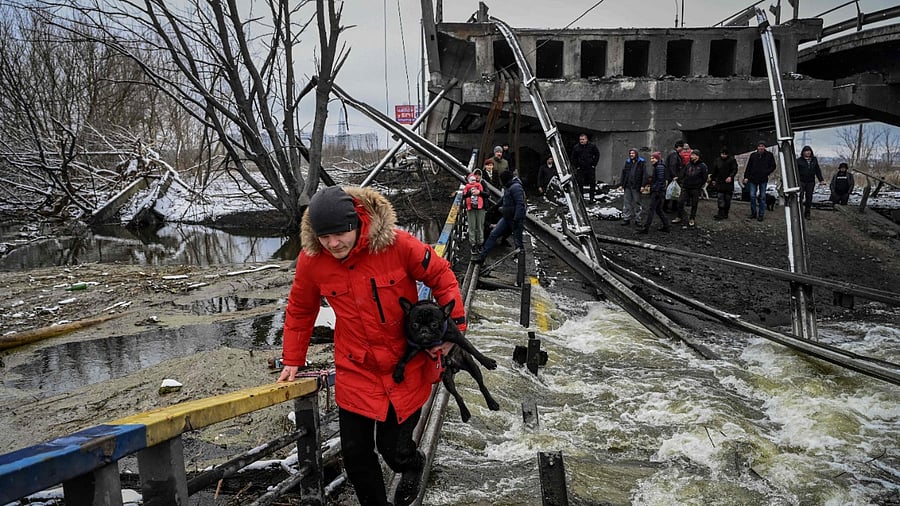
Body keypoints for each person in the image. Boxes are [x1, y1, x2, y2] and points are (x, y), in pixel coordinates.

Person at [279, 185, 467, 506]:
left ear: (357, 222)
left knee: (393, 449)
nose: (333, 244)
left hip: (404, 364)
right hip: (356, 367)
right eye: (325, 237)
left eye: (340, 234)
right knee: (355, 454)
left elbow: (443, 277)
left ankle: (412, 465)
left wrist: (453, 335)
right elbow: (300, 308)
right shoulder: (312, 260)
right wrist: (293, 357)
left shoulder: (397, 244)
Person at [474, 170, 525, 264]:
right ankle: (481, 257)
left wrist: (517, 218)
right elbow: (504, 198)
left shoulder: (516, 187)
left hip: (515, 219)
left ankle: (521, 264)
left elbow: (520, 204)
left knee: (518, 241)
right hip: (506, 217)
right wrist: (495, 207)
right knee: (493, 234)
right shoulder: (508, 187)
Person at [671, 148, 708, 227]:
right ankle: (679, 216)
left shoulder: (702, 166)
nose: (692, 156)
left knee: (694, 204)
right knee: (680, 202)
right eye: (692, 155)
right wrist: (679, 179)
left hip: (695, 188)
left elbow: (704, 178)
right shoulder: (688, 164)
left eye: (694, 155)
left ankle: (692, 218)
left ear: (698, 156)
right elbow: (683, 173)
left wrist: (699, 185)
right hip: (686, 187)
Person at [742, 140, 776, 222]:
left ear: (765, 147)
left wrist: (766, 172)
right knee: (752, 196)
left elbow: (773, 166)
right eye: (759, 146)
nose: (761, 147)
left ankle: (761, 214)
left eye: (762, 146)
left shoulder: (769, 155)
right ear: (757, 147)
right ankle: (753, 213)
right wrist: (746, 177)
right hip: (753, 178)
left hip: (763, 179)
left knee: (763, 197)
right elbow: (748, 166)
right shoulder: (753, 155)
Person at [636, 151, 670, 234]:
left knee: (651, 210)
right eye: (651, 158)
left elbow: (660, 181)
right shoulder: (659, 166)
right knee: (658, 210)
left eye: (653, 158)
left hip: (657, 192)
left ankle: (646, 228)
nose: (651, 160)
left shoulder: (659, 167)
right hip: (659, 192)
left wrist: (654, 190)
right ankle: (666, 226)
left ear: (657, 159)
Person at [618, 147, 647, 226]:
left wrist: (643, 185)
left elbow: (644, 174)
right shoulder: (628, 162)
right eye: (630, 153)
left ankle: (638, 219)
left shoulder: (641, 162)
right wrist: (622, 184)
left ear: (636, 154)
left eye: (633, 153)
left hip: (636, 186)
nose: (631, 155)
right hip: (628, 185)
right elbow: (624, 173)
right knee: (627, 203)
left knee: (638, 203)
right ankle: (626, 218)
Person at [796, 145, 824, 219]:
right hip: (801, 181)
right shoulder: (799, 160)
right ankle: (799, 212)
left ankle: (807, 213)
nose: (808, 152)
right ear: (803, 152)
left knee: (809, 197)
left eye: (809, 151)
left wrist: (821, 179)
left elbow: (817, 170)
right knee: (800, 196)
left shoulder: (814, 160)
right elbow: (796, 171)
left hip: (810, 181)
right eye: (806, 151)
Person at [710, 147, 738, 220]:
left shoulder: (732, 160)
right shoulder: (718, 160)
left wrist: (730, 177)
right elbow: (715, 170)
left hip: (728, 183)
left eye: (725, 154)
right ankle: (720, 212)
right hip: (720, 181)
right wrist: (713, 179)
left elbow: (734, 169)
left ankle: (725, 213)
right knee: (720, 197)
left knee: (727, 199)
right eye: (722, 154)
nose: (723, 155)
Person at [570, 133, 600, 202]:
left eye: (583, 139)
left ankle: (591, 198)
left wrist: (593, 164)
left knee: (592, 183)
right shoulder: (576, 147)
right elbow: (573, 157)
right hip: (580, 168)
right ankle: (581, 198)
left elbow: (597, 154)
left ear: (586, 139)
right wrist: (577, 166)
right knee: (580, 183)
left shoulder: (592, 146)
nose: (581, 141)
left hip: (590, 167)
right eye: (580, 139)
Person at [463, 172, 486, 253]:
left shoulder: (482, 184)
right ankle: (473, 244)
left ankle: (480, 243)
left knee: (480, 226)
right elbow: (464, 195)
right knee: (472, 226)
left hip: (480, 208)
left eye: (479, 175)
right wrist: (470, 192)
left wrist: (479, 192)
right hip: (471, 208)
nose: (477, 177)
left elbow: (486, 194)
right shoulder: (467, 186)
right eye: (475, 175)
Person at [663, 140, 685, 213]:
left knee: (672, 191)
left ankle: (672, 207)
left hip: (671, 176)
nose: (682, 149)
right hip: (673, 177)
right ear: (678, 147)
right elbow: (672, 165)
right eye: (682, 147)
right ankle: (667, 207)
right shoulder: (674, 154)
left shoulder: (674, 153)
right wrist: (675, 176)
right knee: (672, 191)